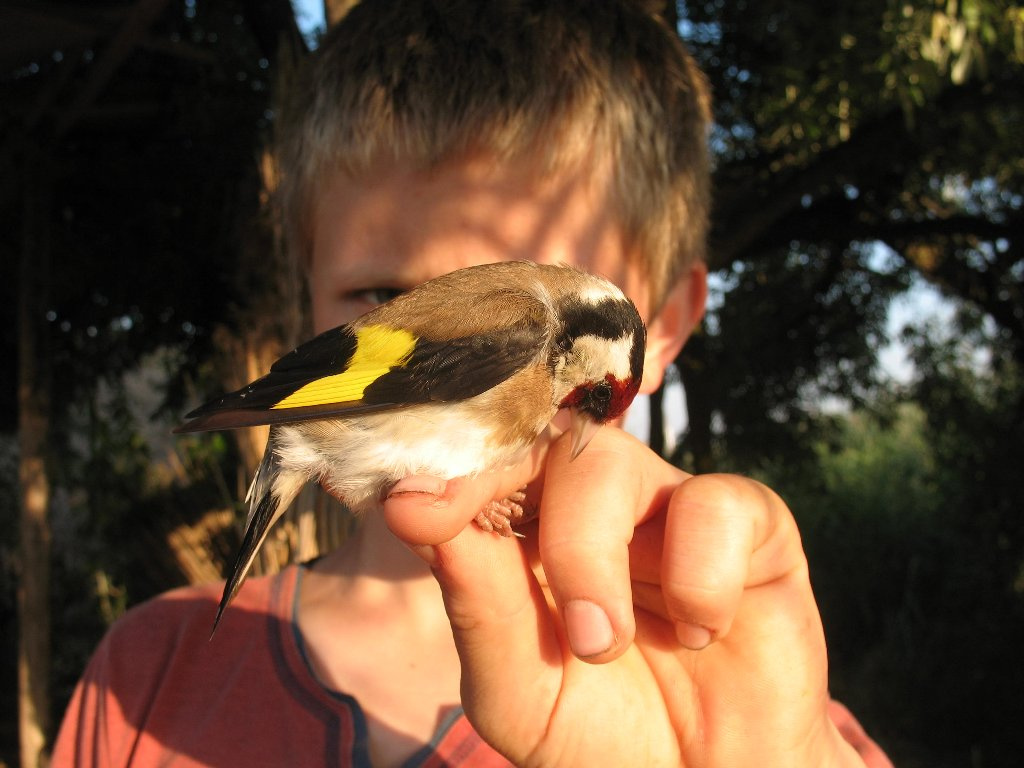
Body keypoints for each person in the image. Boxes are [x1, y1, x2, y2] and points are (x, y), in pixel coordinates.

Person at [53, 1, 893, 766]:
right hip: (326, 419)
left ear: (668, 321)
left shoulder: (739, 709)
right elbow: (381, 382)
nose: (572, 415)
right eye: (383, 293)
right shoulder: (144, 669)